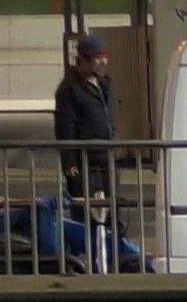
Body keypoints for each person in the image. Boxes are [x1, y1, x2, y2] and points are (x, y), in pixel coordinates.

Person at [54, 34, 115, 234]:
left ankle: (110, 255)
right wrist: (70, 164)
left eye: (104, 56)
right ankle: (86, 257)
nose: (104, 62)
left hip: (105, 158)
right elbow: (65, 127)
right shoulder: (69, 89)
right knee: (85, 215)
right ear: (84, 60)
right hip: (84, 162)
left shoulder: (103, 84)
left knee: (111, 212)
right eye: (98, 58)